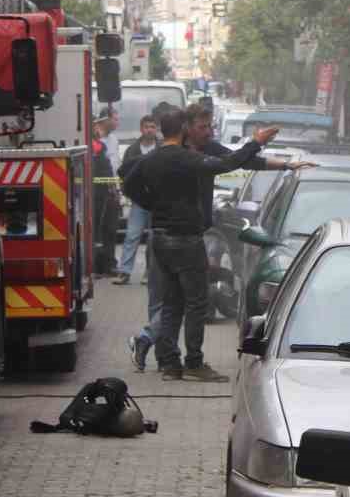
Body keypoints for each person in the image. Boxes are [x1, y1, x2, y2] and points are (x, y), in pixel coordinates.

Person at [120, 109, 278, 382]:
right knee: (196, 302)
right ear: (182, 130)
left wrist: (153, 206)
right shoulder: (187, 159)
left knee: (171, 303)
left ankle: (170, 365)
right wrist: (256, 142)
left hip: (159, 237)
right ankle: (194, 361)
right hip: (186, 239)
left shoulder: (151, 159)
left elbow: (128, 185)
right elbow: (226, 164)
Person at [114, 113, 161, 286]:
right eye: (147, 126)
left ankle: (150, 273)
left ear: (157, 130)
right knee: (132, 236)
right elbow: (124, 174)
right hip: (139, 202)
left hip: (157, 203)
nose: (150, 130)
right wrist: (129, 193)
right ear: (141, 129)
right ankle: (124, 272)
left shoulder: (162, 149)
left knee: (153, 239)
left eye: (153, 127)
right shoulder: (132, 150)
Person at [90, 108, 120, 277]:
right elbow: (104, 169)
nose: (118, 122)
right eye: (115, 119)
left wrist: (115, 189)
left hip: (110, 190)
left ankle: (109, 263)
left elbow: (113, 167)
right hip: (98, 192)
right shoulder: (95, 144)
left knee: (110, 228)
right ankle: (97, 265)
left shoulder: (113, 140)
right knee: (97, 230)